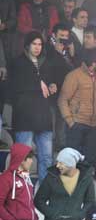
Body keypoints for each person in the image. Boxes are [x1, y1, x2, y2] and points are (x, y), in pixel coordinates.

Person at [9, 31, 60, 182]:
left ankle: (43, 194)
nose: (37, 47)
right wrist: (37, 84)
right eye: (34, 44)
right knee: (23, 159)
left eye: (40, 44)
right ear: (27, 45)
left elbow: (50, 82)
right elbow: (13, 87)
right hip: (25, 117)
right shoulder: (17, 62)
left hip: (43, 117)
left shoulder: (46, 63)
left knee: (46, 157)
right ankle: (21, 192)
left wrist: (52, 86)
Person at [58, 49, 96, 165]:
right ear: (93, 63)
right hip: (77, 124)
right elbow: (62, 100)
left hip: (93, 125)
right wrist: (70, 121)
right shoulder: (74, 76)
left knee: (89, 161)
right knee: (72, 162)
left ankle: (86, 183)